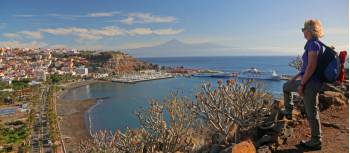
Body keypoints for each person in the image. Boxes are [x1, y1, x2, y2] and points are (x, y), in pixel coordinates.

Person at [282, 19, 324, 150]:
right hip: (313, 82)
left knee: (312, 112)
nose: (302, 32)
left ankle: (316, 140)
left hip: (310, 83)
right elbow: (306, 68)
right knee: (286, 86)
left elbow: (311, 66)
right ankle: (289, 110)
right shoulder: (315, 44)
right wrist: (294, 78)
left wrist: (301, 85)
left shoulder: (312, 44)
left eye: (303, 29)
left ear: (310, 30)